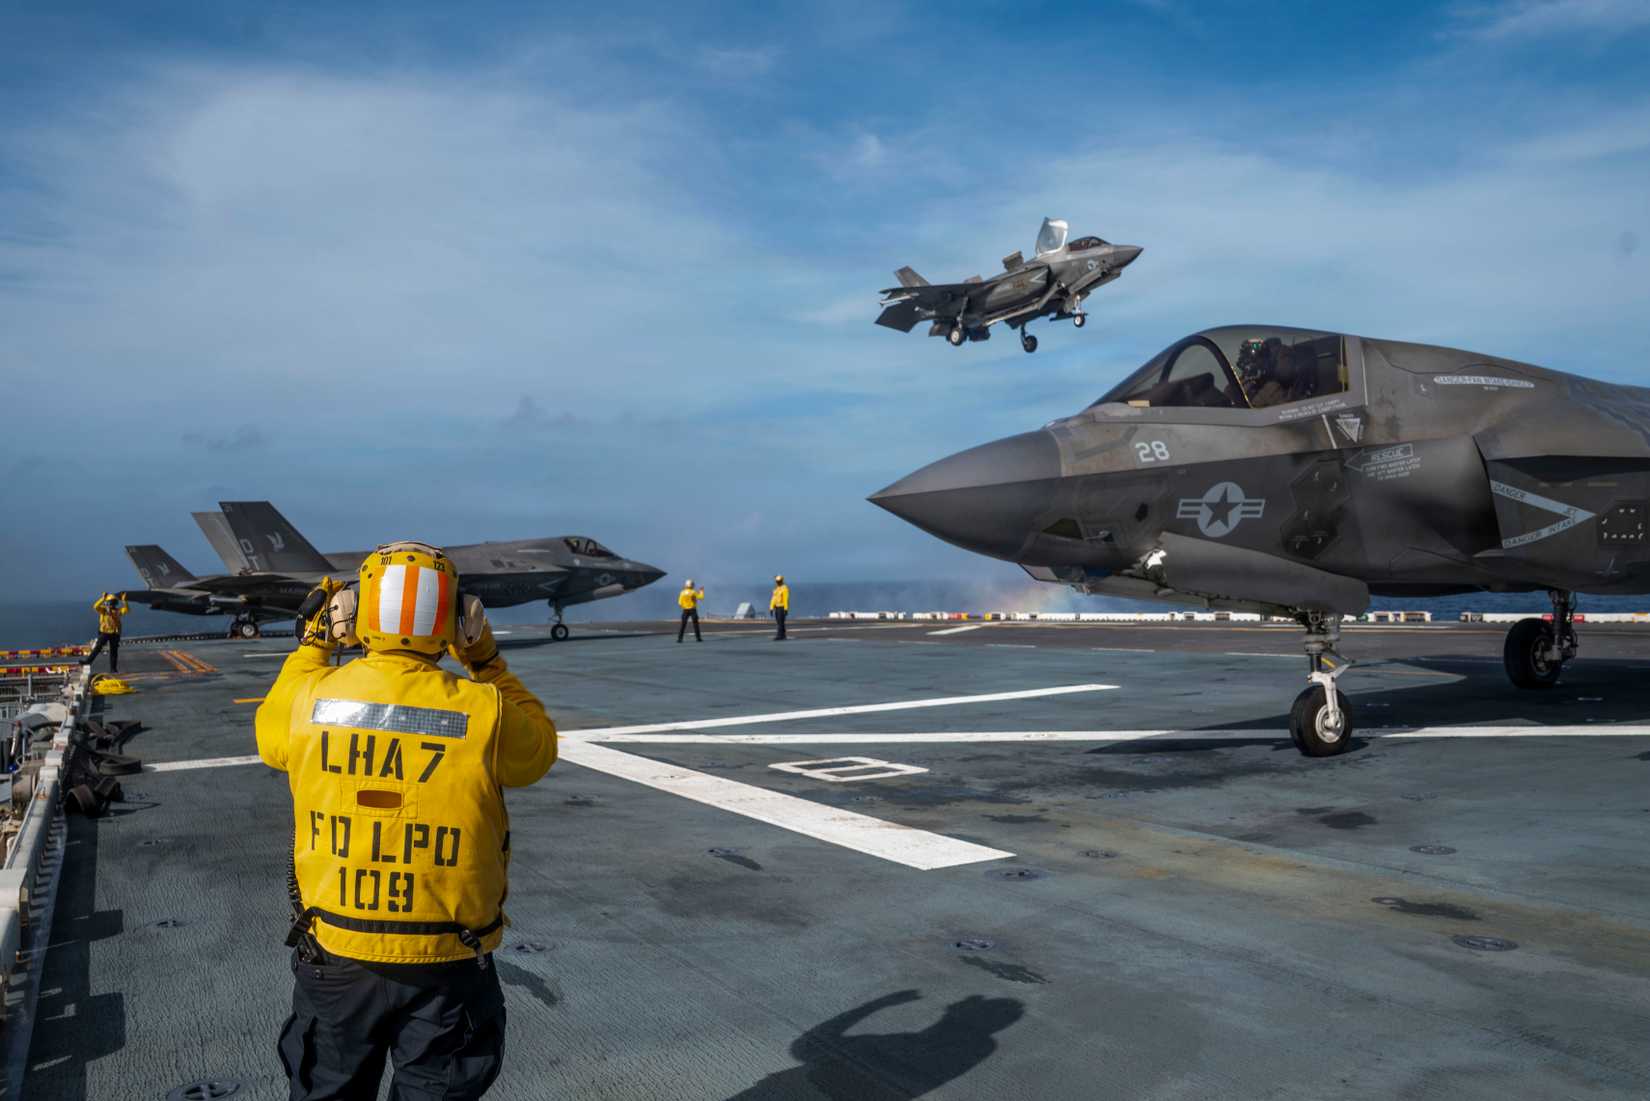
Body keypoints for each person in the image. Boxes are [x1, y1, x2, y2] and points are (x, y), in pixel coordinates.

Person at [255, 542, 557, 1100]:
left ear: (357, 614)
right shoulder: (484, 709)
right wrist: (485, 660)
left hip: (337, 957)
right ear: (454, 619)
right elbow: (538, 752)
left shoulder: (308, 700)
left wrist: (313, 646)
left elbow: (270, 737)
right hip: (449, 962)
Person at [84, 591, 128, 673]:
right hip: (105, 632)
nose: (112, 605)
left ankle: (113, 669)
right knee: (98, 648)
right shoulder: (103, 610)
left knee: (114, 652)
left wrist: (124, 601)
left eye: (113, 603)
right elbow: (95, 606)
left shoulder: (118, 611)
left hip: (115, 633)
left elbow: (127, 609)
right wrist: (102, 598)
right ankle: (88, 661)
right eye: (111, 602)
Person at [769, 575, 790, 641]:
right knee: (779, 622)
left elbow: (785, 599)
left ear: (781, 581)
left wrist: (786, 609)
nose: (778, 582)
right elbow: (773, 599)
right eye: (777, 581)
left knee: (780, 622)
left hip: (781, 607)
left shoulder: (784, 588)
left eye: (779, 581)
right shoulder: (776, 589)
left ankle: (779, 635)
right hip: (776, 607)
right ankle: (783, 635)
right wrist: (771, 608)